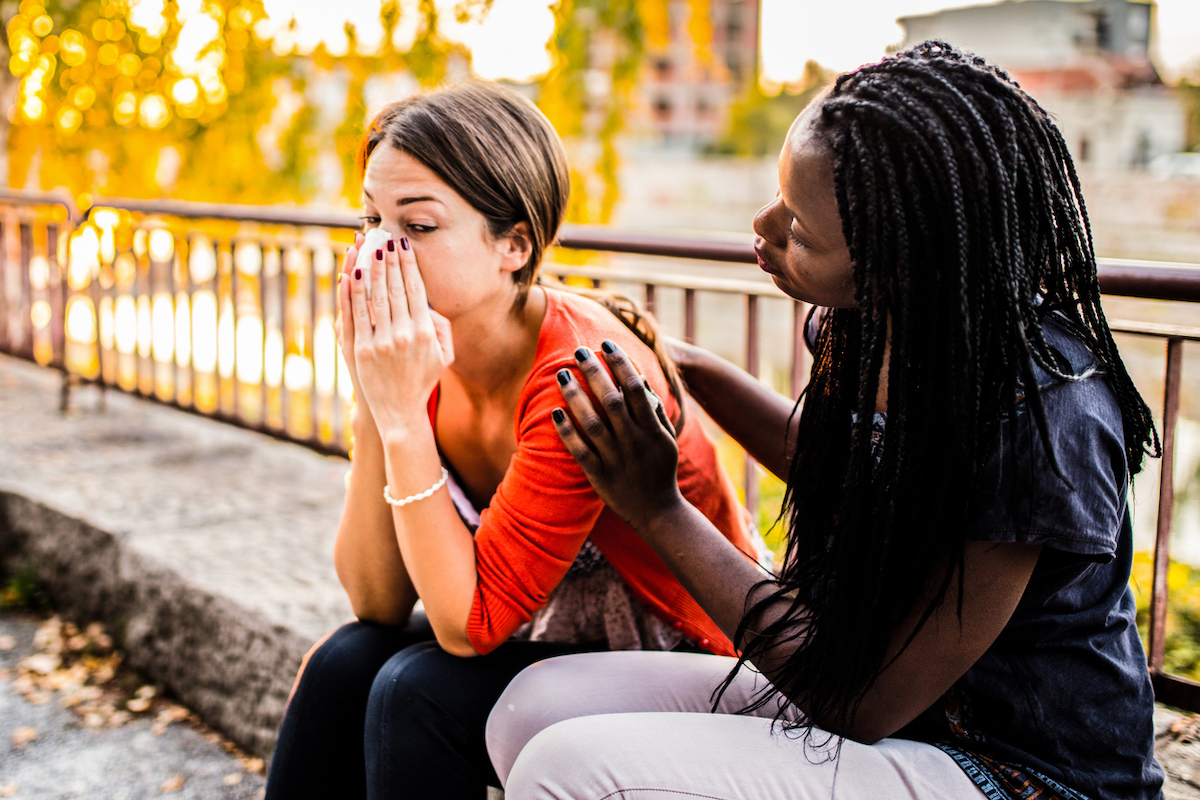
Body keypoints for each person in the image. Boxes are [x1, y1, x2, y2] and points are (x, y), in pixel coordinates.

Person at [486, 42, 1165, 800]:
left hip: (1018, 770)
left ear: (902, 262)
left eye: (801, 232)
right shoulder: (868, 329)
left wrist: (657, 507)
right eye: (779, 197)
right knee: (529, 712)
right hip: (887, 707)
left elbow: (868, 702)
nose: (765, 226)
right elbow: (850, 470)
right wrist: (688, 368)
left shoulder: (1040, 416)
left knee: (567, 769)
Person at [263, 81, 761, 799]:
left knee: (417, 688)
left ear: (514, 244)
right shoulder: (429, 348)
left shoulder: (576, 379)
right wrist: (380, 399)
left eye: (418, 227)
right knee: (346, 661)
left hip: (681, 648)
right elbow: (375, 599)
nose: (377, 252)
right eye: (368, 220)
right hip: (545, 631)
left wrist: (401, 413)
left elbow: (469, 629)